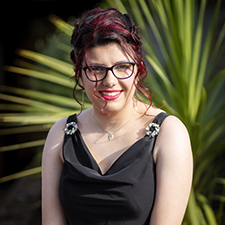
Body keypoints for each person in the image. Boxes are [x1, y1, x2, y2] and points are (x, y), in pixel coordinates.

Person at [42, 8, 193, 225]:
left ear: (139, 69)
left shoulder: (169, 134)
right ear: (79, 73)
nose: (109, 80)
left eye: (122, 67)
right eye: (96, 69)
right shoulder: (60, 133)